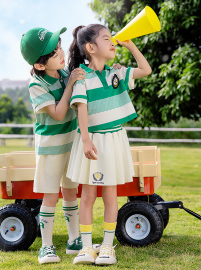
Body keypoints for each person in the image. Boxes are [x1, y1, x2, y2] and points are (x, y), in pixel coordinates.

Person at [66, 24, 152, 265]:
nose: (112, 42)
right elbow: (81, 108)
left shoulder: (118, 72)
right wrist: (85, 140)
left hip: (114, 139)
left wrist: (130, 44)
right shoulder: (82, 76)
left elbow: (146, 69)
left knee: (111, 195)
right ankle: (85, 248)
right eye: (107, 39)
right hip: (91, 141)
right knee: (88, 196)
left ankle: (106, 246)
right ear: (91, 48)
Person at [20, 26, 86, 264]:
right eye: (54, 53)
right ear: (39, 65)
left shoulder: (63, 72)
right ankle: (46, 246)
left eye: (59, 48)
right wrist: (70, 85)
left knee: (70, 191)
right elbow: (58, 113)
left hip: (70, 142)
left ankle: (74, 239)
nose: (60, 54)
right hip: (50, 148)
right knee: (51, 196)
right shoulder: (36, 84)